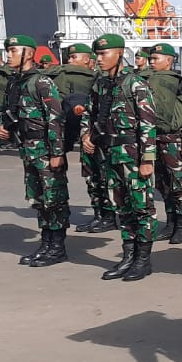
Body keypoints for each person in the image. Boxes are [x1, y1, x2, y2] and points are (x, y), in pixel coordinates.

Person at [84, 34, 158, 281]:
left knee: (142, 208)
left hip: (134, 157)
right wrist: (87, 135)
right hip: (110, 155)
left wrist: (147, 159)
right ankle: (128, 255)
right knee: (122, 208)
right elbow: (92, 114)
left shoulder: (135, 84)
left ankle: (143, 259)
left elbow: (148, 123)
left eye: (104, 54)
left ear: (119, 54)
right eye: (97, 54)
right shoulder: (101, 85)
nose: (99, 59)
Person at [0, 34, 69, 266]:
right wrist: (2, 129)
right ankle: (46, 243)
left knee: (53, 198)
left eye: (13, 51)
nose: (8, 55)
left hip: (46, 150)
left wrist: (57, 153)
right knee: (38, 198)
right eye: (8, 51)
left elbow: (56, 118)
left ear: (28, 53)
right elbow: (8, 112)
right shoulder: (14, 83)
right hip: (28, 148)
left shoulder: (41, 82)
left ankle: (57, 247)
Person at [63, 43, 116, 234]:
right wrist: (86, 135)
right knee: (92, 179)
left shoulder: (106, 80)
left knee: (105, 178)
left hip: (105, 139)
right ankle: (99, 214)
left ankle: (109, 216)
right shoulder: (96, 83)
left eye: (74, 57)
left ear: (87, 60)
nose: (70, 61)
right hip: (90, 137)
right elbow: (88, 111)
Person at [148, 43, 182, 246]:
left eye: (156, 58)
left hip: (174, 141)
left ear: (169, 60)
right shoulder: (146, 81)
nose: (152, 62)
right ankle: (170, 222)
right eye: (151, 59)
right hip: (154, 140)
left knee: (179, 185)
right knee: (162, 184)